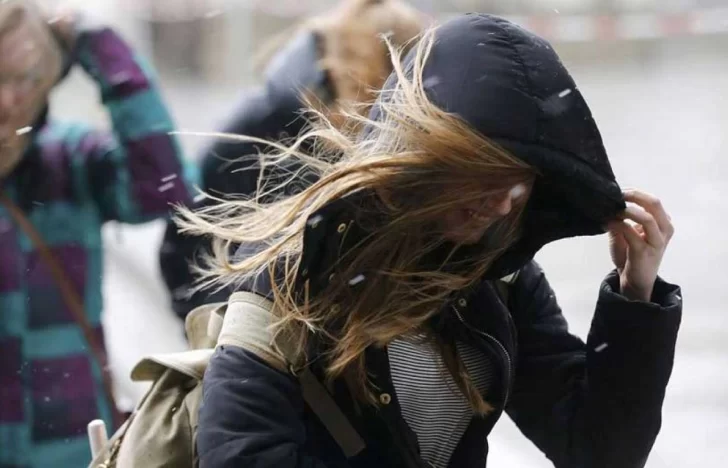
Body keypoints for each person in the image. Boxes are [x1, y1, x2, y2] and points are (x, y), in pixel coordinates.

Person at [179, 13, 682, 468]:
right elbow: (240, 456)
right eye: (482, 174)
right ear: (424, 157)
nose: (502, 202)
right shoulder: (293, 274)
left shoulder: (499, 276)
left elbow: (596, 450)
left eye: (521, 180)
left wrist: (635, 297)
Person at [0, 2, 194, 467]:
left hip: (74, 452)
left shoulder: (70, 162)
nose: (7, 101)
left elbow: (163, 186)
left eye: (23, 78)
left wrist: (97, 43)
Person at [158, 0, 425, 320]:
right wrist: (236, 322)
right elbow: (189, 238)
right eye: (343, 51)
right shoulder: (273, 129)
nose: (338, 65)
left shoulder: (389, 137)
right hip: (256, 327)